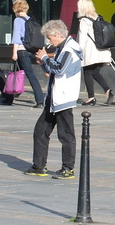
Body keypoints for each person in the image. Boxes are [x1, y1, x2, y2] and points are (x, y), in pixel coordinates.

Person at [23, 20, 82, 179]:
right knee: (40, 131)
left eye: (49, 38)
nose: (49, 41)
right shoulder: (62, 48)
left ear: (57, 34)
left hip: (63, 98)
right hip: (54, 98)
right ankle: (39, 166)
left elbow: (59, 69)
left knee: (66, 135)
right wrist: (43, 62)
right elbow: (52, 69)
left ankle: (68, 168)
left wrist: (45, 58)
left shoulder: (70, 49)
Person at [76, 0, 115, 107]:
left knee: (87, 72)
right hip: (102, 51)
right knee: (95, 72)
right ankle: (107, 90)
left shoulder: (84, 21)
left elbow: (82, 39)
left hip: (90, 52)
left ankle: (91, 97)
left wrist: (78, 52)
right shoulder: (98, 18)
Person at [10, 0, 46, 107]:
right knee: (19, 71)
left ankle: (40, 100)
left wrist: (14, 53)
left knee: (29, 74)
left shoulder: (17, 20)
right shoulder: (31, 20)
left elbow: (16, 38)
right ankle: (14, 94)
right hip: (32, 49)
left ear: (15, 9)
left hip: (22, 49)